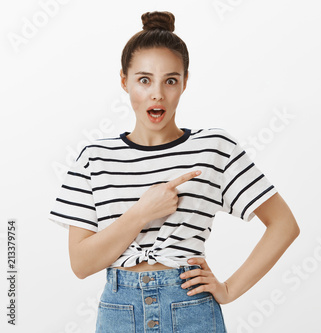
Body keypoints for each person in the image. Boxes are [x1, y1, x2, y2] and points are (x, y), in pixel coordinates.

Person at [48, 10, 299, 333]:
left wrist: (229, 289)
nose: (157, 94)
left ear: (184, 83)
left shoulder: (214, 148)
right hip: (120, 314)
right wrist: (141, 213)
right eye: (144, 80)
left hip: (191, 308)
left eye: (170, 80)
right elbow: (81, 265)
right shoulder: (95, 158)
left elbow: (284, 225)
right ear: (124, 81)